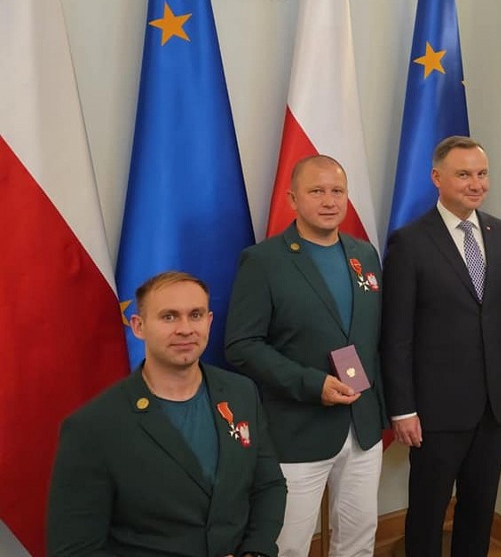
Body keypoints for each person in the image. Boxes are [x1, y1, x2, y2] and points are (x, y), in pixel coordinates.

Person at [47, 271, 286, 557]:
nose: (185, 329)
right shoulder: (92, 427)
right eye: (169, 317)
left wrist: (255, 552)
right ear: (138, 326)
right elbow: (76, 550)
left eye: (195, 315)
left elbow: (268, 485)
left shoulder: (241, 393)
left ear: (209, 321)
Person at [381, 136, 501, 557]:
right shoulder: (410, 242)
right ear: (437, 178)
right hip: (434, 411)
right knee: (429, 512)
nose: (476, 183)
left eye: (482, 174)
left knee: (480, 509)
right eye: (464, 174)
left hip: (493, 405)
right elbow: (397, 335)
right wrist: (403, 408)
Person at [225, 155, 385, 557]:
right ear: (292, 199)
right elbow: (241, 346)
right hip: (297, 430)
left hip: (363, 426)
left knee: (359, 538)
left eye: (337, 191)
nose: (329, 201)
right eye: (317, 191)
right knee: (289, 545)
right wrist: (312, 384)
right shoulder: (263, 261)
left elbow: (371, 338)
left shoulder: (364, 255)